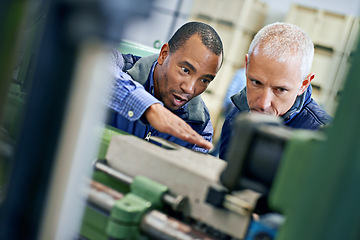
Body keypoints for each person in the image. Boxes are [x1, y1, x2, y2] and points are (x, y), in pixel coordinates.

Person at [219, 22, 332, 160]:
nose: (263, 103)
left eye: (280, 90)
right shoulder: (235, 119)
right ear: (247, 66)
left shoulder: (323, 140)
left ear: (304, 84)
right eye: (256, 82)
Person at [107, 21, 223, 153]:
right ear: (164, 54)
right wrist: (148, 107)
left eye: (204, 80)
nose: (190, 89)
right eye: (185, 70)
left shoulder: (200, 126)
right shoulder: (121, 66)